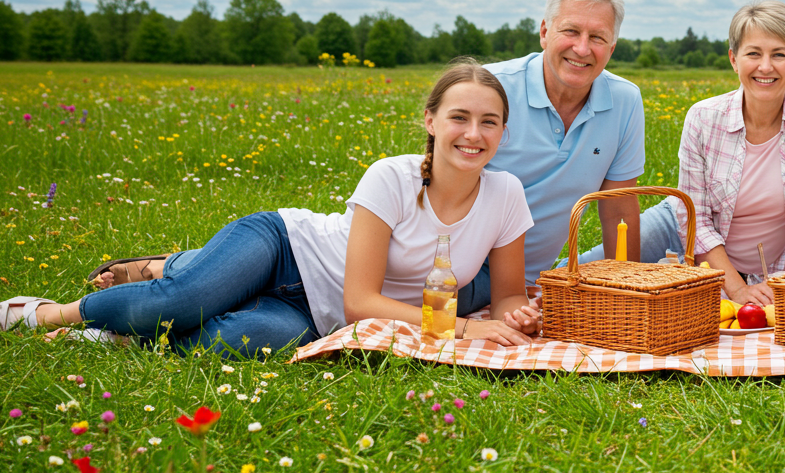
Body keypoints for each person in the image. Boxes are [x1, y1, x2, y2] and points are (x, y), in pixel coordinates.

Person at [88, 0, 648, 318]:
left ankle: (195, 282)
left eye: (597, 37)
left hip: (504, 279)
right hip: (428, 263)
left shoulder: (623, 103)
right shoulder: (491, 93)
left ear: (613, 46)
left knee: (249, 328)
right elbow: (443, 174)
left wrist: (624, 291)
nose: (582, 47)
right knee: (204, 293)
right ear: (544, 31)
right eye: (571, 31)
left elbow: (619, 207)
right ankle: (176, 270)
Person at [3, 60, 541, 356]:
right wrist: (463, 329)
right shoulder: (392, 177)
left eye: (489, 121)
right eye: (459, 117)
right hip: (285, 250)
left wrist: (514, 313)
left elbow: (510, 291)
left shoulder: (506, 195)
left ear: (503, 131)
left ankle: (117, 331)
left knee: (230, 344)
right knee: (175, 302)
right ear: (430, 120)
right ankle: (51, 312)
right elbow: (360, 302)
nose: (473, 134)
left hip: (311, 314)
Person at [581, 0, 785, 306]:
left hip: (772, 263)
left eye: (779, 54)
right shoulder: (703, 117)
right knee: (585, 275)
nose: (765, 66)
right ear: (733, 59)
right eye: (753, 53)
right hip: (679, 227)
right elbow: (694, 220)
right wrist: (738, 291)